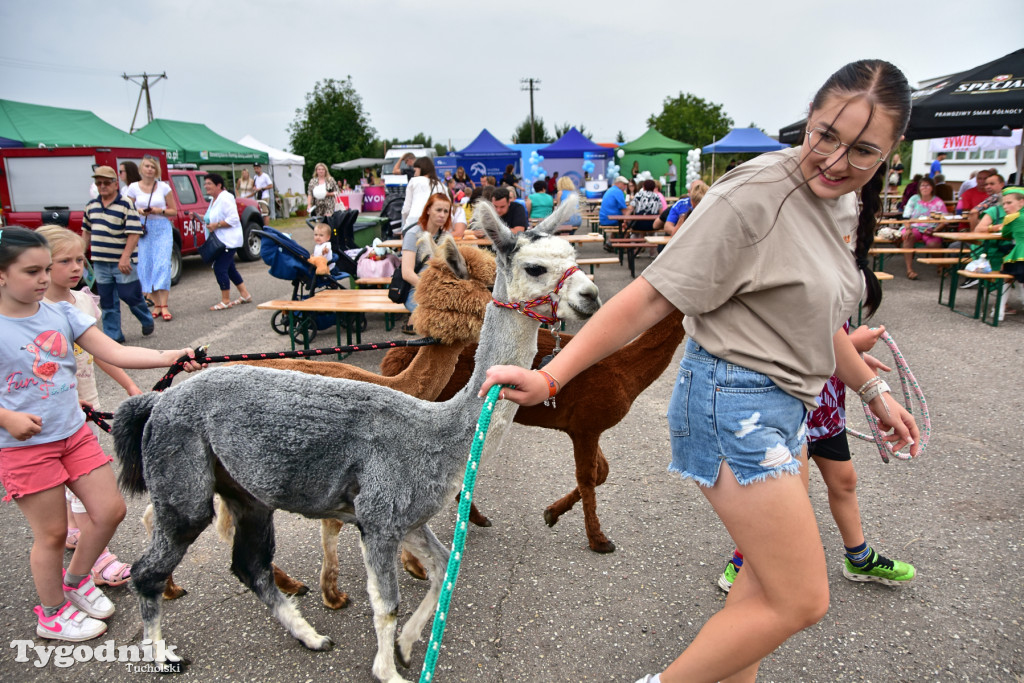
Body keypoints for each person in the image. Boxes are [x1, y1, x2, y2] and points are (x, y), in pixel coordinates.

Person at [481, 59, 920, 683]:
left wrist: (873, 390)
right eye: (825, 134)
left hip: (784, 407)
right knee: (801, 598)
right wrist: (553, 377)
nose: (835, 159)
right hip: (734, 406)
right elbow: (652, 295)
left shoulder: (843, 202)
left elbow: (818, 317)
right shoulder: (753, 194)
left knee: (760, 598)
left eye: (863, 150)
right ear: (809, 119)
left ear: (892, 151)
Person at [0, 226, 202, 643]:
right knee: (53, 533)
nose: (42, 279)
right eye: (31, 271)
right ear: (2, 275)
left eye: (44, 270)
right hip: (25, 448)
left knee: (110, 511)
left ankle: (75, 582)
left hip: (73, 433)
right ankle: (52, 613)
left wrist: (172, 356)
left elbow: (114, 350)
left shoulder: (62, 313)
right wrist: (6, 417)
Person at [719, 323, 916, 593]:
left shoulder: (835, 291)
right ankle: (743, 563)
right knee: (784, 501)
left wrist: (853, 357)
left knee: (845, 482)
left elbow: (833, 339)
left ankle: (858, 557)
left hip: (827, 414)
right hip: (788, 418)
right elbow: (790, 342)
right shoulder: (798, 286)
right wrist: (852, 344)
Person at [37, 224, 139, 588]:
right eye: (65, 261)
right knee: (84, 486)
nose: (77, 267)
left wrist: (128, 382)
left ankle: (74, 533)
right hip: (54, 414)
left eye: (81, 258)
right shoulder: (34, 312)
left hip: (87, 405)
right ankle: (97, 558)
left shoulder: (81, 301)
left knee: (74, 481)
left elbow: (100, 351)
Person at [81, 166, 153, 343]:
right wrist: (80, 254)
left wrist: (125, 256)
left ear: (115, 184)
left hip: (122, 261)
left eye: (106, 182)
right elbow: (86, 233)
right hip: (100, 262)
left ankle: (146, 318)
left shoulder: (125, 204)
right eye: (99, 183)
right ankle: (114, 336)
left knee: (130, 295)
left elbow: (134, 233)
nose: (102, 186)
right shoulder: (91, 206)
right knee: (107, 300)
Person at [125, 154, 177, 323]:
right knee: (147, 266)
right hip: (143, 229)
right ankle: (156, 304)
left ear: (157, 170)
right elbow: (127, 209)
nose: (149, 169)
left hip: (161, 228)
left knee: (162, 264)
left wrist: (158, 210)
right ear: (141, 168)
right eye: (147, 166)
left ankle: (165, 305)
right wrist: (139, 211)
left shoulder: (163, 187)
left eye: (152, 167)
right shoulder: (132, 188)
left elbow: (173, 211)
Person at [399, 193, 452, 331]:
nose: (442, 215)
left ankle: (413, 326)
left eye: (446, 211)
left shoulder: (446, 237)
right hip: (416, 289)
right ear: (428, 210)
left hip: (440, 289)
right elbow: (407, 273)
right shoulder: (413, 234)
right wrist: (432, 290)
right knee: (441, 318)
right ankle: (414, 326)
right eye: (438, 210)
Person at [203, 173, 253, 311]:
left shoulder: (225, 198)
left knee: (220, 268)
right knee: (230, 268)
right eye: (205, 183)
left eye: (209, 183)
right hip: (221, 239)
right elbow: (212, 216)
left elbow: (234, 219)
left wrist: (216, 225)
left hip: (228, 241)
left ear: (218, 185)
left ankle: (225, 300)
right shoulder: (214, 199)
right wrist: (199, 217)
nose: (206, 186)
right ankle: (245, 295)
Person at [972, 186, 1022, 319]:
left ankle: (999, 310)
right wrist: (996, 227)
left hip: (1013, 253)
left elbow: (1010, 233)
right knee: (1009, 270)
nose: (1005, 205)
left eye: (1009, 202)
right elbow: (978, 230)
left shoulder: (1016, 216)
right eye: (1004, 202)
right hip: (994, 250)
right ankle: (999, 308)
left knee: (1010, 269)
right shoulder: (995, 211)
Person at [901, 176, 947, 279]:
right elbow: (906, 217)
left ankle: (940, 266)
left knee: (933, 244)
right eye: (922, 185)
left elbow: (944, 220)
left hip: (931, 228)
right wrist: (908, 228)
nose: (925, 188)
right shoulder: (914, 199)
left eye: (927, 185)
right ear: (919, 188)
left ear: (932, 188)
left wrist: (935, 230)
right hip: (914, 227)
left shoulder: (938, 202)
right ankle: (909, 270)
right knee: (908, 237)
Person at [401, 157, 449, 232]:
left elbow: (406, 210)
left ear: (421, 169)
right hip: (434, 227)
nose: (414, 174)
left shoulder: (414, 181)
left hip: (413, 224)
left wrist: (404, 224)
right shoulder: (442, 186)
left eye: (415, 171)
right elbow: (449, 210)